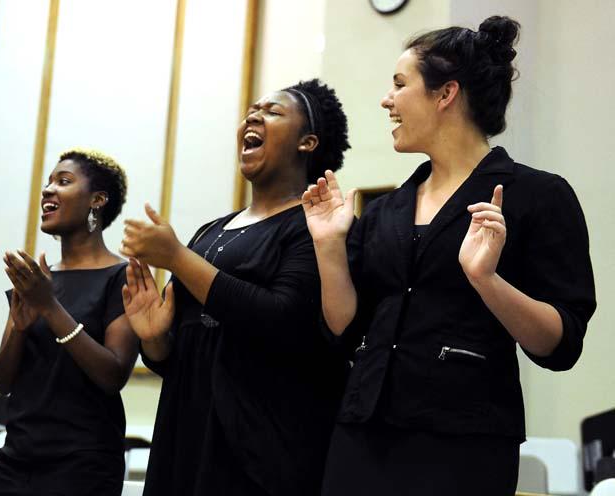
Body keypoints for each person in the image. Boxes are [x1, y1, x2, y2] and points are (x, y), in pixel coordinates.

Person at [302, 16, 596, 496]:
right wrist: (329, 245)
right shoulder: (386, 209)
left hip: (464, 443)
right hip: (361, 435)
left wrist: (487, 280)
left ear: (445, 94)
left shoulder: (539, 195)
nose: (386, 100)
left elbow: (561, 344)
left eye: (399, 85)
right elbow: (342, 328)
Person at [119, 79, 351, 496]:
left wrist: (178, 259)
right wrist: (154, 341)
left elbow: (282, 320)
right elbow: (184, 354)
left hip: (261, 451)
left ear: (308, 142)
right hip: (187, 437)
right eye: (251, 110)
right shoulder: (211, 231)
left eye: (273, 111)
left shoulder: (316, 227)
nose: (253, 116)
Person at [0, 149, 138, 496]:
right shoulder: (36, 280)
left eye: (63, 181)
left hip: (83, 465)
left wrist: (49, 307)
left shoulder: (123, 277)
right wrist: (21, 328)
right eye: (49, 181)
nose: (48, 190)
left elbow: (112, 375)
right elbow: (2, 381)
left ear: (97, 200)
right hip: (15, 460)